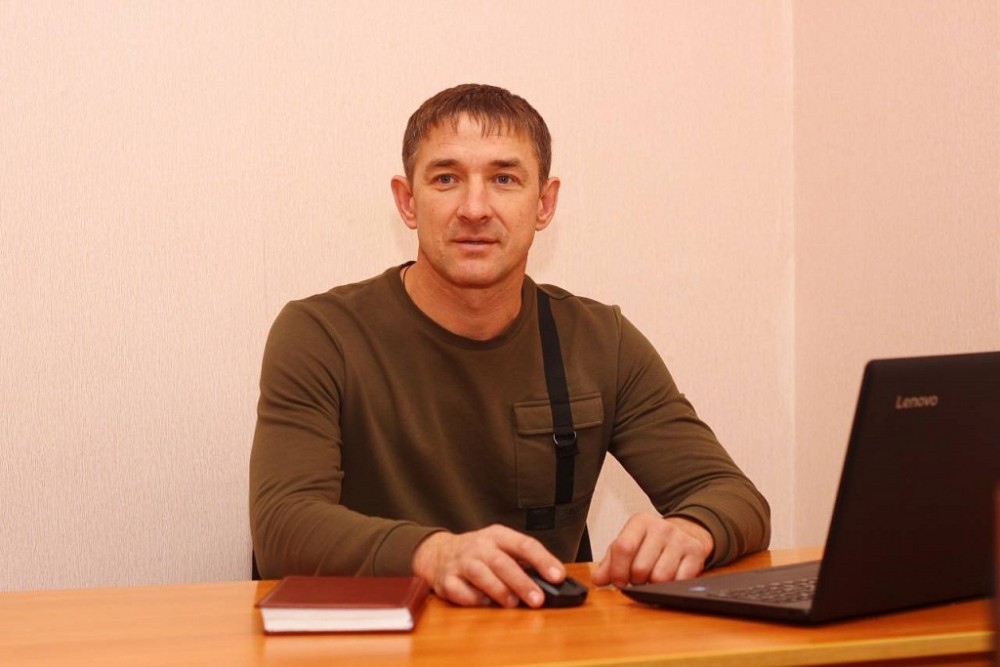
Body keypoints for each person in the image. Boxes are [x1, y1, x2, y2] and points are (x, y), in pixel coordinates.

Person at [249, 83, 770, 609]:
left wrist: (693, 531)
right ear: (408, 202)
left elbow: (734, 496)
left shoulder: (600, 341)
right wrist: (434, 554)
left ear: (544, 204)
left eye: (504, 179)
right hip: (379, 642)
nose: (475, 208)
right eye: (446, 178)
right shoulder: (320, 334)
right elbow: (282, 528)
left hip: (539, 637)